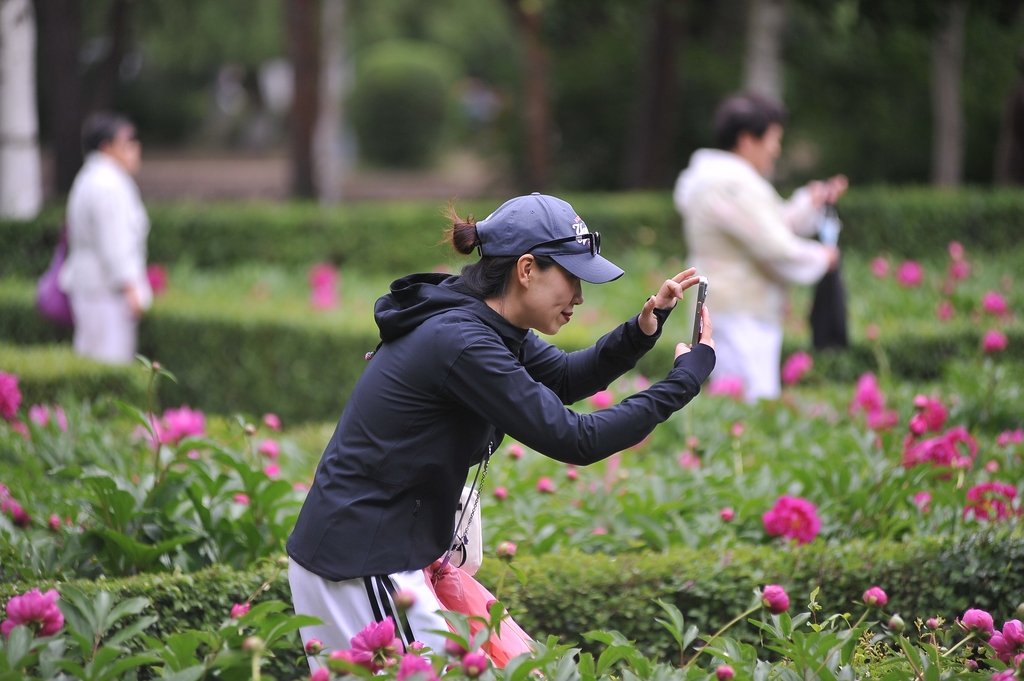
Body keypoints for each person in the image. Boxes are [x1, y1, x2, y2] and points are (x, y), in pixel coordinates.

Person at [286, 193, 716, 664]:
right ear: (526, 269)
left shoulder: (487, 325)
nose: (579, 295)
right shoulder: (464, 342)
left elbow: (566, 379)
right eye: (572, 276)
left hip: (380, 556)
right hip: (361, 561)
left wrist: (644, 327)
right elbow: (575, 439)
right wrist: (683, 382)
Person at [673, 93, 846, 402]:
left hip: (735, 313)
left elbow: (769, 225)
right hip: (737, 319)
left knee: (742, 412)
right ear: (747, 140)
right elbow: (774, 246)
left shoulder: (725, 180)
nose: (776, 149)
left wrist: (811, 201)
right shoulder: (728, 184)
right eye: (773, 139)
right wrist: (823, 257)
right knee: (747, 411)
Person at [58, 112, 151, 365]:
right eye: (128, 142)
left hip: (95, 288)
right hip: (106, 292)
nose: (135, 148)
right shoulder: (108, 183)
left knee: (93, 359)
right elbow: (115, 243)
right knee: (110, 364)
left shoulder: (94, 177)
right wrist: (131, 288)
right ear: (106, 147)